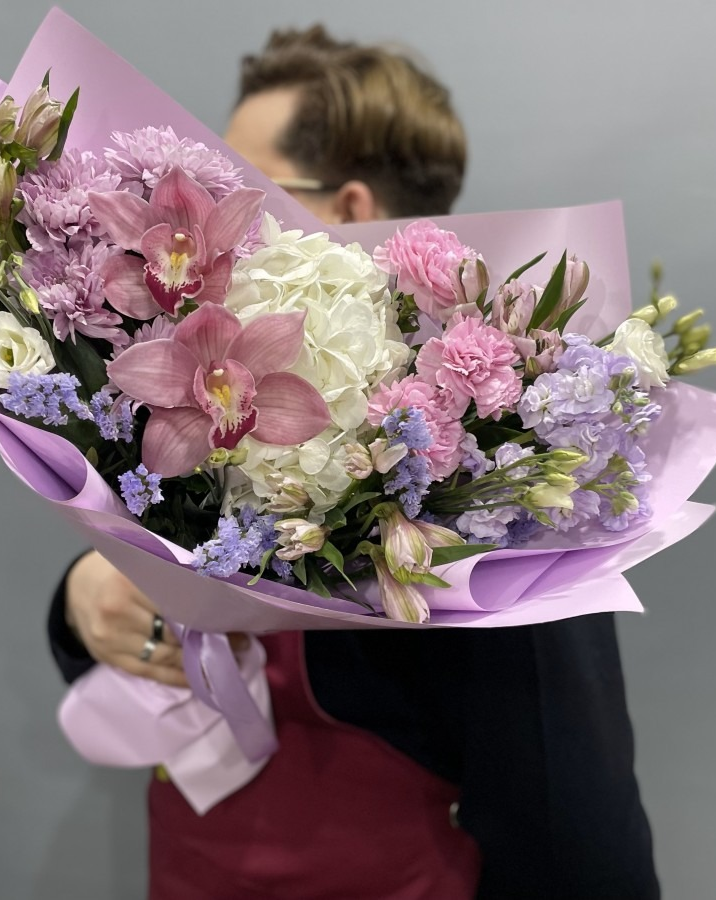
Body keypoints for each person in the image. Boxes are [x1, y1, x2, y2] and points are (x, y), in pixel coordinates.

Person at [48, 25, 661, 900]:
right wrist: (83, 602)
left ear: (345, 210)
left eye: (241, 188)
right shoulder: (203, 405)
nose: (209, 223)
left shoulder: (491, 498)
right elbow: (142, 665)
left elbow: (581, 855)